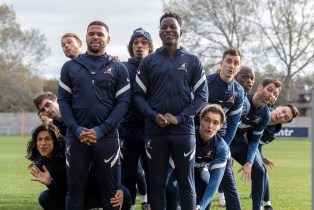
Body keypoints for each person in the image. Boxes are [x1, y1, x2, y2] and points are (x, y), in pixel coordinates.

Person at [133, 12, 208, 210]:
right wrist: (153, 115)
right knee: (156, 183)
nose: (168, 30)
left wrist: (179, 118)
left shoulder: (193, 61)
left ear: (180, 31)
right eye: (164, 27)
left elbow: (202, 97)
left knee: (186, 182)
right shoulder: (148, 62)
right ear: (159, 32)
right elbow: (137, 95)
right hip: (154, 131)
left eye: (172, 26)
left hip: (183, 131)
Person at [58, 21, 130, 209]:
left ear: (108, 38)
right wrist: (76, 129)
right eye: (92, 34)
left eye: (100, 34)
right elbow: (63, 101)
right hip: (76, 137)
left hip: (107, 137)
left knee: (111, 193)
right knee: (74, 191)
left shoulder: (118, 67)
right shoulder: (70, 67)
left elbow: (123, 103)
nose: (96, 37)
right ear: (86, 37)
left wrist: (101, 130)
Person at [26, 123, 127, 210]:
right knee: (45, 197)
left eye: (47, 139)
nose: (43, 143)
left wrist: (116, 187)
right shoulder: (40, 165)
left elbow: (109, 167)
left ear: (55, 141)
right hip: (72, 197)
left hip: (95, 191)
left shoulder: (71, 152)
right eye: (39, 139)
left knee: (123, 193)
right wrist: (50, 183)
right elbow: (62, 191)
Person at [229, 78, 282, 210]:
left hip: (239, 142)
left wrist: (249, 163)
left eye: (275, 94)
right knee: (221, 173)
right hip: (223, 140)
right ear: (260, 87)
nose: (271, 95)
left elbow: (254, 141)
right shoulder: (242, 99)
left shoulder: (265, 114)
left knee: (259, 169)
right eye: (269, 90)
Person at [119, 27, 154, 210]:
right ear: (131, 47)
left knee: (152, 173)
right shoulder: (122, 67)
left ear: (150, 47)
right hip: (127, 129)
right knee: (128, 174)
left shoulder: (156, 66)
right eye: (136, 43)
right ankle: (130, 206)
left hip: (151, 130)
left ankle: (151, 204)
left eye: (144, 43)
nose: (139, 46)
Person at [217, 65, 255, 207]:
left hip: (227, 141)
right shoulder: (215, 88)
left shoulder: (246, 101)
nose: (250, 81)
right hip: (205, 140)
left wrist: (226, 146)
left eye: (252, 78)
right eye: (245, 77)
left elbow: (237, 127)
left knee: (229, 178)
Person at [249, 103, 299, 210]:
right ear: (279, 106)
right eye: (283, 111)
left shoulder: (270, 135)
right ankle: (222, 197)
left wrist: (261, 157)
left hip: (251, 146)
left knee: (262, 169)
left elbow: (256, 145)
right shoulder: (260, 110)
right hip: (234, 140)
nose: (281, 115)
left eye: (285, 117)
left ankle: (266, 203)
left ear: (285, 123)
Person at [194, 104, 229, 210]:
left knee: (206, 183)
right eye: (207, 120)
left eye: (215, 123)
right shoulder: (188, 138)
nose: (210, 126)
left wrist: (201, 206)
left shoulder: (222, 147)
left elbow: (215, 181)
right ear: (200, 120)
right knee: (172, 190)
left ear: (220, 126)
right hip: (178, 172)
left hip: (199, 170)